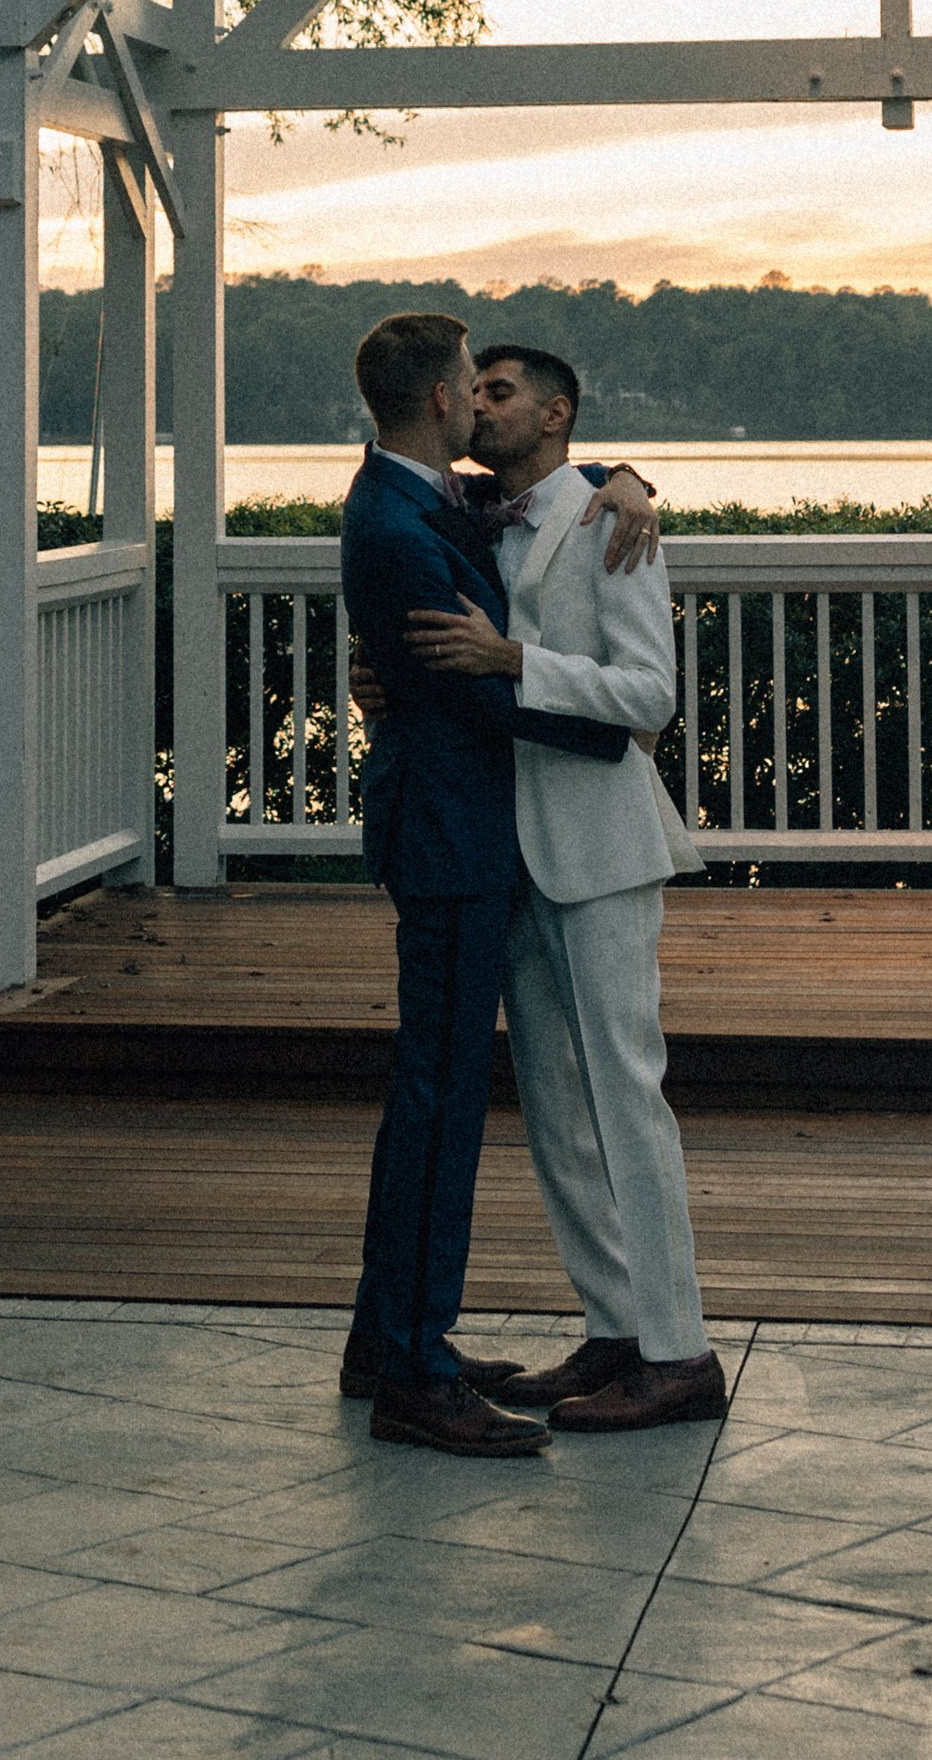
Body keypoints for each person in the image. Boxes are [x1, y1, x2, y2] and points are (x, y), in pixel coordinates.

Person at [399, 342, 726, 1432]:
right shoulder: (465, 513)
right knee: (553, 1107)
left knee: (624, 1096)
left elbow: (647, 696)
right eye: (471, 389)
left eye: (498, 393)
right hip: (507, 850)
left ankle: (678, 1353)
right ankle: (614, 1328)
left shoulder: (609, 520)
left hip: (598, 846)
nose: (476, 406)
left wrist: (513, 663)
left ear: (555, 413)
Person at [339, 310, 642, 1458]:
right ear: (439, 401)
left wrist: (623, 473)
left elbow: (552, 474)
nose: (481, 399)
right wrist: (614, 729)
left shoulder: (421, 495)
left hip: (462, 831)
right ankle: (414, 1371)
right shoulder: (400, 521)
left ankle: (385, 1337)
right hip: (452, 839)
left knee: (434, 1090)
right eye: (473, 383)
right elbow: (464, 691)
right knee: (440, 1098)